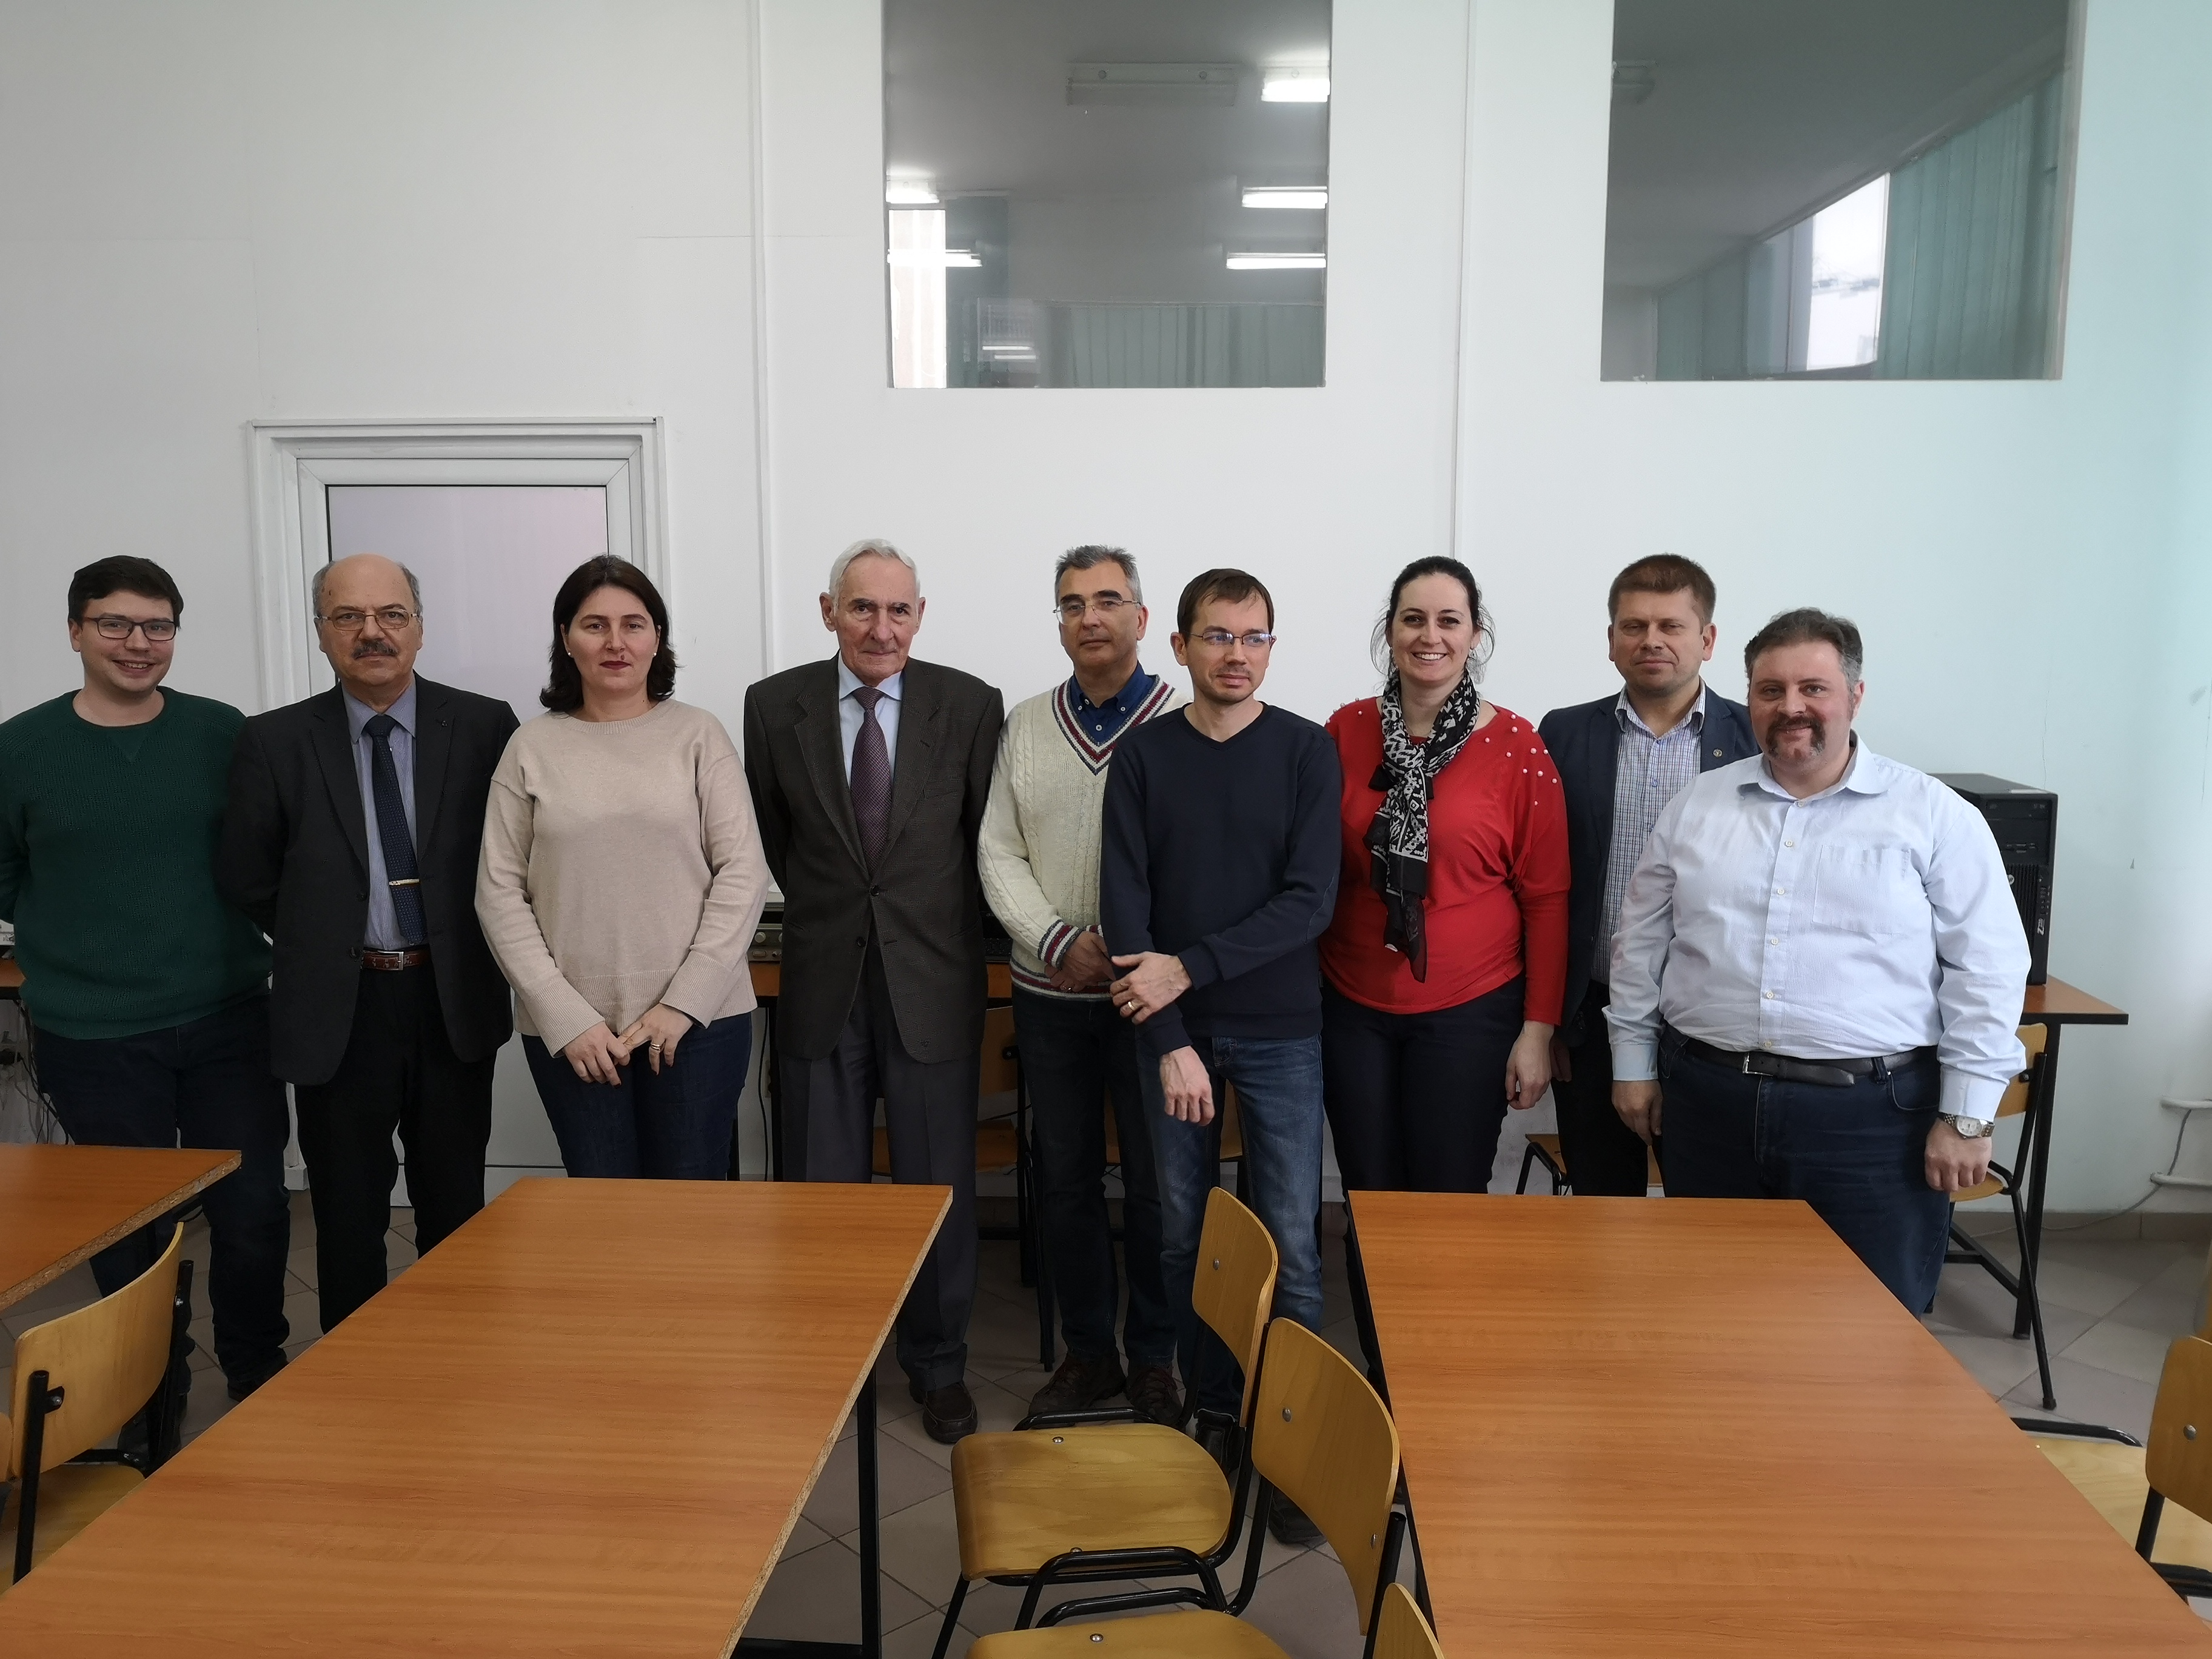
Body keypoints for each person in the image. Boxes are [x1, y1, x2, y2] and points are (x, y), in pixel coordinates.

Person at [1607, 608, 2030, 1312]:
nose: (1791, 707)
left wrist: (1967, 1117)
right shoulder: (1697, 806)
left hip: (1872, 1122)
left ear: (1855, 697)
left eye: (1814, 688)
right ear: (1749, 698)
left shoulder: (1933, 815)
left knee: (1868, 1330)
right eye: (1770, 690)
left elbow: (1986, 971)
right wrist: (1632, 1064)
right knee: (1710, 1314)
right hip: (1709, 1108)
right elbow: (1639, 945)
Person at [0, 557, 291, 1408]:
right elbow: (6, 875)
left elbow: (260, 851)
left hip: (228, 1017)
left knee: (254, 1209)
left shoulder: (221, 732)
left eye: (157, 626)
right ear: (75, 632)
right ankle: (150, 1394)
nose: (138, 642)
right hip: (93, 1035)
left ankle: (256, 1369)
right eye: (115, 624)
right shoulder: (20, 749)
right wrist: (80, 933)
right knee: (131, 1229)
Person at [743, 540, 1004, 1444]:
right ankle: (835, 1363)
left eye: (898, 610)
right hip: (824, 980)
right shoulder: (772, 706)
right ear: (829, 612)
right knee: (823, 1192)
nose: (881, 628)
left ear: (920, 616)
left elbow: (983, 842)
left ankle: (938, 1366)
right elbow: (778, 838)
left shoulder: (969, 706)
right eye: (862, 608)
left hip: (933, 980)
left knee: (937, 1187)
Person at [218, 554, 518, 1335]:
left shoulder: (485, 725)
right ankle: (351, 1370)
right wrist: (328, 937)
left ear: (419, 626)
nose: (371, 632)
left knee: (454, 1200)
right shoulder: (274, 740)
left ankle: (456, 1354)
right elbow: (248, 875)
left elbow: (519, 856)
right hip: (337, 1011)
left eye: (390, 614)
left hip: (451, 999)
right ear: (321, 632)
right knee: (348, 1211)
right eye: (347, 616)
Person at [1099, 568, 1339, 1509]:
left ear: (1271, 647)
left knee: (1293, 1246)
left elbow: (1310, 903)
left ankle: (1290, 1441)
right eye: (1217, 636)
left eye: (1253, 637)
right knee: (1180, 1238)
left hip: (1283, 1032)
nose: (1236, 655)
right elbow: (1126, 912)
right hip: (1174, 1039)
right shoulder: (1143, 757)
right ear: (1180, 646)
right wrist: (1170, 1037)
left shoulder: (1307, 752)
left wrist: (1188, 968)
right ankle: (1213, 1413)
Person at [1319, 557, 1569, 1352]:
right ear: (1390, 631)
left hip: (1471, 1011)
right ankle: (1384, 1376)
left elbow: (1547, 898)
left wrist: (1537, 1030)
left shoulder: (1519, 748)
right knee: (1369, 1199)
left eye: (1448, 621)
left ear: (1475, 635)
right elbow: (1312, 871)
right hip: (1353, 1006)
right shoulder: (1343, 731)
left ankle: (1442, 1369)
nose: (1430, 636)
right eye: (1413, 619)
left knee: (1448, 1200)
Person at [477, 557, 770, 1178]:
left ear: (656, 637)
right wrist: (564, 1017)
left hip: (700, 1024)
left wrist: (684, 1003)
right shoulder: (530, 747)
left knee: (691, 1210)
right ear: (566, 638)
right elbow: (498, 894)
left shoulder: (700, 735)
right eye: (595, 625)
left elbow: (742, 874)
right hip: (576, 1035)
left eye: (633, 625)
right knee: (603, 1210)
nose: (616, 643)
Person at [978, 546, 1184, 1425]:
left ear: (1143, 617)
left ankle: (1156, 1360)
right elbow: (997, 849)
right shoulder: (1027, 724)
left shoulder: (1185, 720)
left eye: (1107, 600)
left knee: (1158, 1186)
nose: (1089, 617)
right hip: (1051, 994)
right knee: (1062, 1180)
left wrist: (1141, 953)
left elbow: (1203, 861)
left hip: (1151, 1001)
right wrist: (1058, 939)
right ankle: (1089, 1354)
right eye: (1071, 604)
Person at [1538, 555, 1759, 1195]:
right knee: (1603, 1202)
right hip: (1593, 1013)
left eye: (1671, 626)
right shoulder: (1563, 733)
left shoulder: (1755, 737)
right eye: (1633, 626)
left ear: (1707, 640)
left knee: (1709, 1206)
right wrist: (1552, 1018)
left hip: (1710, 1022)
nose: (1651, 641)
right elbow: (1543, 884)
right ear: (1611, 641)